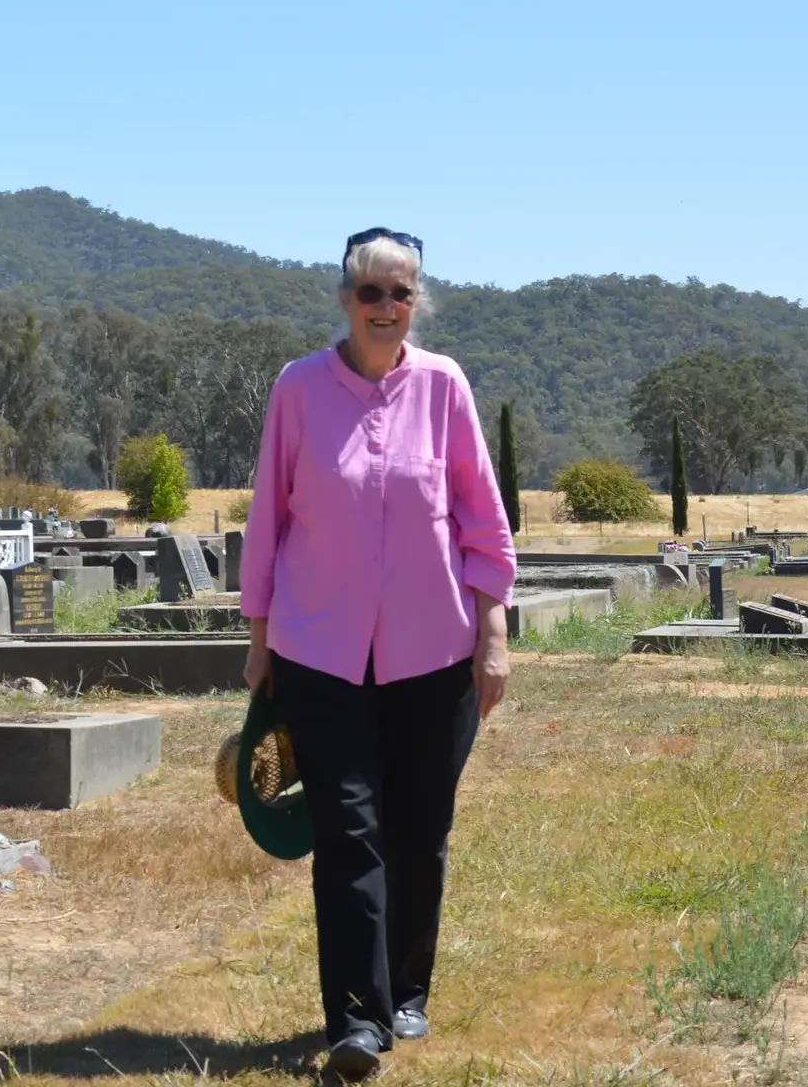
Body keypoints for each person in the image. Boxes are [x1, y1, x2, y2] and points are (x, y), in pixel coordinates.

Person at [237, 228, 516, 1080]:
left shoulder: (444, 386)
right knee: (349, 830)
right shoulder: (298, 388)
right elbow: (267, 520)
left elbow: (481, 519)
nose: (387, 307)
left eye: (402, 292)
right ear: (345, 300)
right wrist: (259, 639)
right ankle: (356, 1021)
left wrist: (494, 634)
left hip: (435, 652)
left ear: (417, 301)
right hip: (320, 651)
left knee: (419, 828)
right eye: (372, 293)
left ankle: (406, 990)